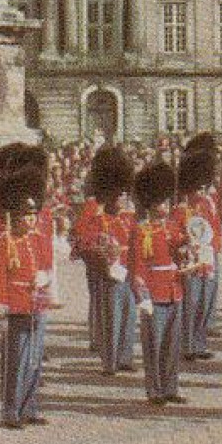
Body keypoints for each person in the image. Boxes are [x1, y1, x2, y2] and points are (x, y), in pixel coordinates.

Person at [0, 166, 56, 428]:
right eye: (26, 216)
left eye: (33, 215)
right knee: (15, 362)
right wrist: (0, 307)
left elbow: (47, 265)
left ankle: (30, 407)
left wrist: (44, 278)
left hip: (36, 304)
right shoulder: (4, 241)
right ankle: (11, 410)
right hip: (15, 306)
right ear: (14, 216)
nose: (31, 220)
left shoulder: (37, 239)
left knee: (34, 360)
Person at [74, 145, 138, 375]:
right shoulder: (95, 210)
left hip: (127, 268)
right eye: (118, 193)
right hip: (105, 268)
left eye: (124, 193)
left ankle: (125, 356)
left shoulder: (127, 216)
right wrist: (100, 258)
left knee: (129, 314)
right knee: (109, 315)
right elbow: (83, 236)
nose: (122, 197)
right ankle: (108, 358)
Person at [129, 160, 186, 406]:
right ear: (151, 203)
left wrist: (189, 250)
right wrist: (142, 296)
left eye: (167, 201)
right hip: (154, 292)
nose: (166, 206)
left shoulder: (173, 228)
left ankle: (170, 386)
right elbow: (136, 266)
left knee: (172, 344)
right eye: (161, 201)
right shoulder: (141, 231)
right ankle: (155, 389)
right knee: (154, 344)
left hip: (174, 290)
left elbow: (181, 252)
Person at [172, 149, 220, 364]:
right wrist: (185, 240)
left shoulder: (206, 208)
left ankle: (200, 343)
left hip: (205, 260)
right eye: (197, 188)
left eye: (203, 187)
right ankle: (187, 345)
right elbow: (174, 233)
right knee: (190, 303)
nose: (202, 192)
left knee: (204, 302)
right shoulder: (181, 211)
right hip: (190, 261)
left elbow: (214, 232)